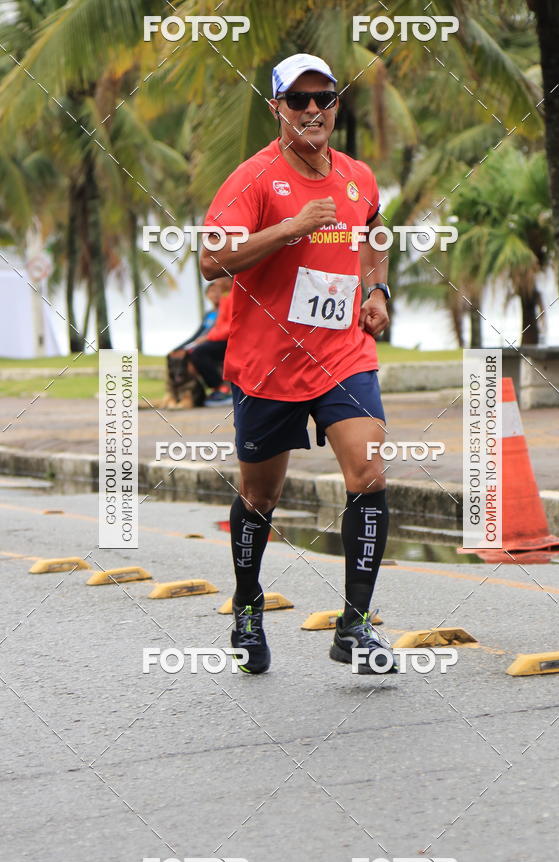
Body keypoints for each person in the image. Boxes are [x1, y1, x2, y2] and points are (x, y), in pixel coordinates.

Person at [200, 53, 396, 675]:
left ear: (336, 105)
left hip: (343, 354)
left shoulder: (357, 176)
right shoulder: (253, 179)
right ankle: (247, 609)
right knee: (261, 494)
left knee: (369, 472)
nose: (314, 111)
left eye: (325, 99)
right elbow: (212, 260)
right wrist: (290, 228)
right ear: (276, 108)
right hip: (269, 364)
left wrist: (375, 292)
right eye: (300, 101)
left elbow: (374, 233)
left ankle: (356, 627)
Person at [162, 278, 233, 408]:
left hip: (218, 341)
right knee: (175, 356)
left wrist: (207, 338)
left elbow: (225, 327)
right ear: (207, 295)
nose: (215, 294)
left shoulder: (226, 303)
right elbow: (196, 335)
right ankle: (175, 393)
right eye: (211, 291)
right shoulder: (209, 314)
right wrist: (179, 348)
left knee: (195, 353)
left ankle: (217, 388)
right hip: (205, 341)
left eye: (217, 290)